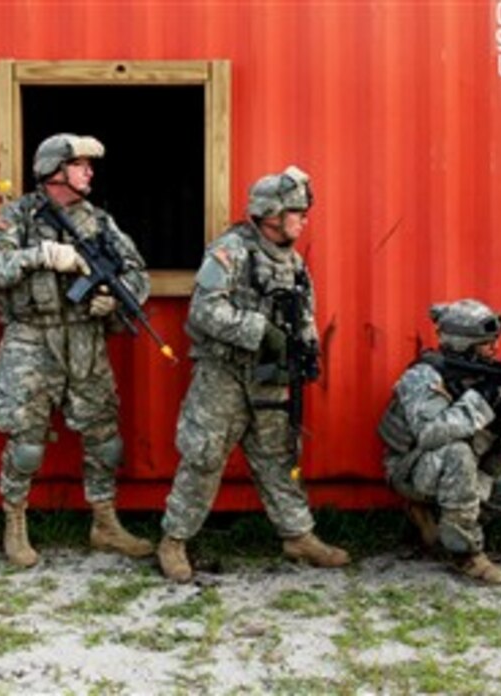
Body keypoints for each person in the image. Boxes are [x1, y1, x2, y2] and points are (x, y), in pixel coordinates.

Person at [157, 165, 349, 582]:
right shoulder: (230, 251)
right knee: (204, 455)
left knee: (278, 456)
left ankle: (298, 536)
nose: (304, 219)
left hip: (271, 376)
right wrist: (260, 330)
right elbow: (204, 310)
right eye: (296, 212)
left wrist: (307, 349)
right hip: (223, 373)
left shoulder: (293, 262)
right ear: (270, 215)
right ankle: (174, 541)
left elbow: (304, 312)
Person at [0, 133, 153, 567]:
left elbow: (138, 274)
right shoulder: (17, 216)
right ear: (54, 170)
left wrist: (114, 298)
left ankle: (105, 524)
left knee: (104, 440)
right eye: (80, 164)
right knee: (26, 443)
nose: (89, 171)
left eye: (90, 165)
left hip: (85, 340)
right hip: (30, 341)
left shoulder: (100, 222)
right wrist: (39, 255)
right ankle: (15, 523)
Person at [377, 299, 501, 584]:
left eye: (495, 340)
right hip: (411, 468)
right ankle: (466, 554)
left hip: (467, 465)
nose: (495, 348)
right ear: (463, 343)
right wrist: (481, 401)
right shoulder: (423, 376)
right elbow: (430, 434)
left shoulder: (484, 372)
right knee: (458, 452)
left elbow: (500, 446)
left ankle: (441, 523)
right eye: (486, 343)